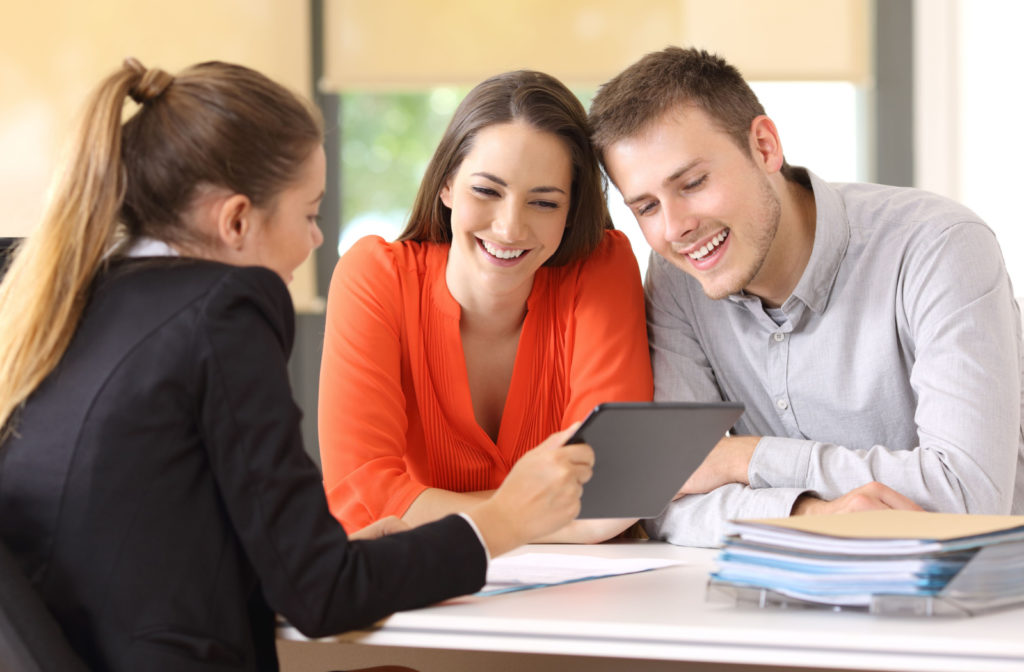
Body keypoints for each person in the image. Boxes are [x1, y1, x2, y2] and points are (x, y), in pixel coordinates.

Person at [0, 58, 596, 672]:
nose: (316, 241)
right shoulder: (220, 311)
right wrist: (500, 521)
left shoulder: (79, 298)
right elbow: (321, 595)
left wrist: (354, 557)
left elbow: (158, 548)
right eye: (309, 215)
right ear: (236, 221)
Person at [588, 46, 1024, 547]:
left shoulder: (938, 247)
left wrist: (744, 459)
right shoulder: (676, 277)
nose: (675, 228)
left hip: (979, 602)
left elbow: (968, 497)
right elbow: (667, 500)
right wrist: (812, 514)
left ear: (765, 146)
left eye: (692, 183)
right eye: (645, 207)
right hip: (793, 605)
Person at [318, 70, 653, 543]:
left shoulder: (601, 267)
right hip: (429, 591)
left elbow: (614, 488)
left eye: (543, 203)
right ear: (448, 185)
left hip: (582, 596)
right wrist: (543, 518)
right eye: (487, 191)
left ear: (571, 212)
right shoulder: (375, 277)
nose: (510, 228)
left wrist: (421, 510)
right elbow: (361, 499)